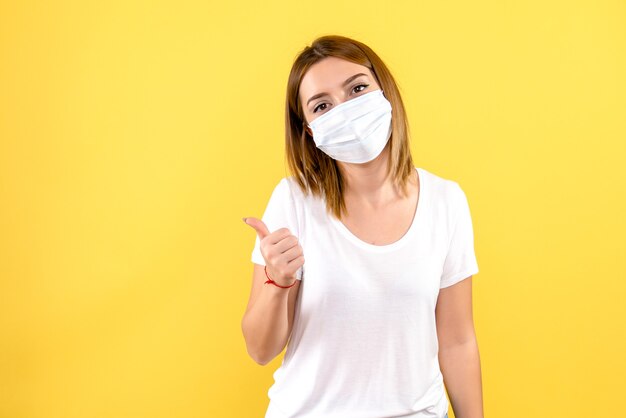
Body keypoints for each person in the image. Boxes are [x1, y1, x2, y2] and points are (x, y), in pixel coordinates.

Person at [241, 35, 483, 418]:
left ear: (383, 90)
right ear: (309, 131)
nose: (345, 109)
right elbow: (260, 350)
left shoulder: (446, 201)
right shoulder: (293, 200)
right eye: (322, 105)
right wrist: (277, 282)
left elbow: (457, 340)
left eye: (357, 88)